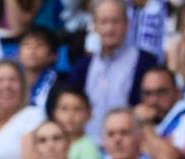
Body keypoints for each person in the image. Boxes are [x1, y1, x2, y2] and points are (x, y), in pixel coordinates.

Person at [68, 0, 159, 139]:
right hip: (89, 149)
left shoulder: (146, 62)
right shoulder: (83, 66)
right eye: (104, 22)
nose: (110, 29)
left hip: (131, 149)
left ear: (128, 24)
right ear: (94, 26)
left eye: (116, 21)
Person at [134, 67, 185, 159]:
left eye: (161, 92)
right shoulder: (135, 121)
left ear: (177, 93)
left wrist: (145, 125)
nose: (153, 100)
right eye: (148, 94)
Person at [48, 86, 102, 159]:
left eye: (77, 109)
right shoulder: (53, 144)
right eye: (64, 109)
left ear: (89, 114)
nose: (70, 115)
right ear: (54, 113)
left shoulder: (88, 147)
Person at [18, 27, 61, 110]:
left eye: (39, 45)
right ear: (18, 54)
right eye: (27, 44)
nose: (32, 50)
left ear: (53, 55)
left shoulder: (59, 86)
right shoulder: (10, 81)